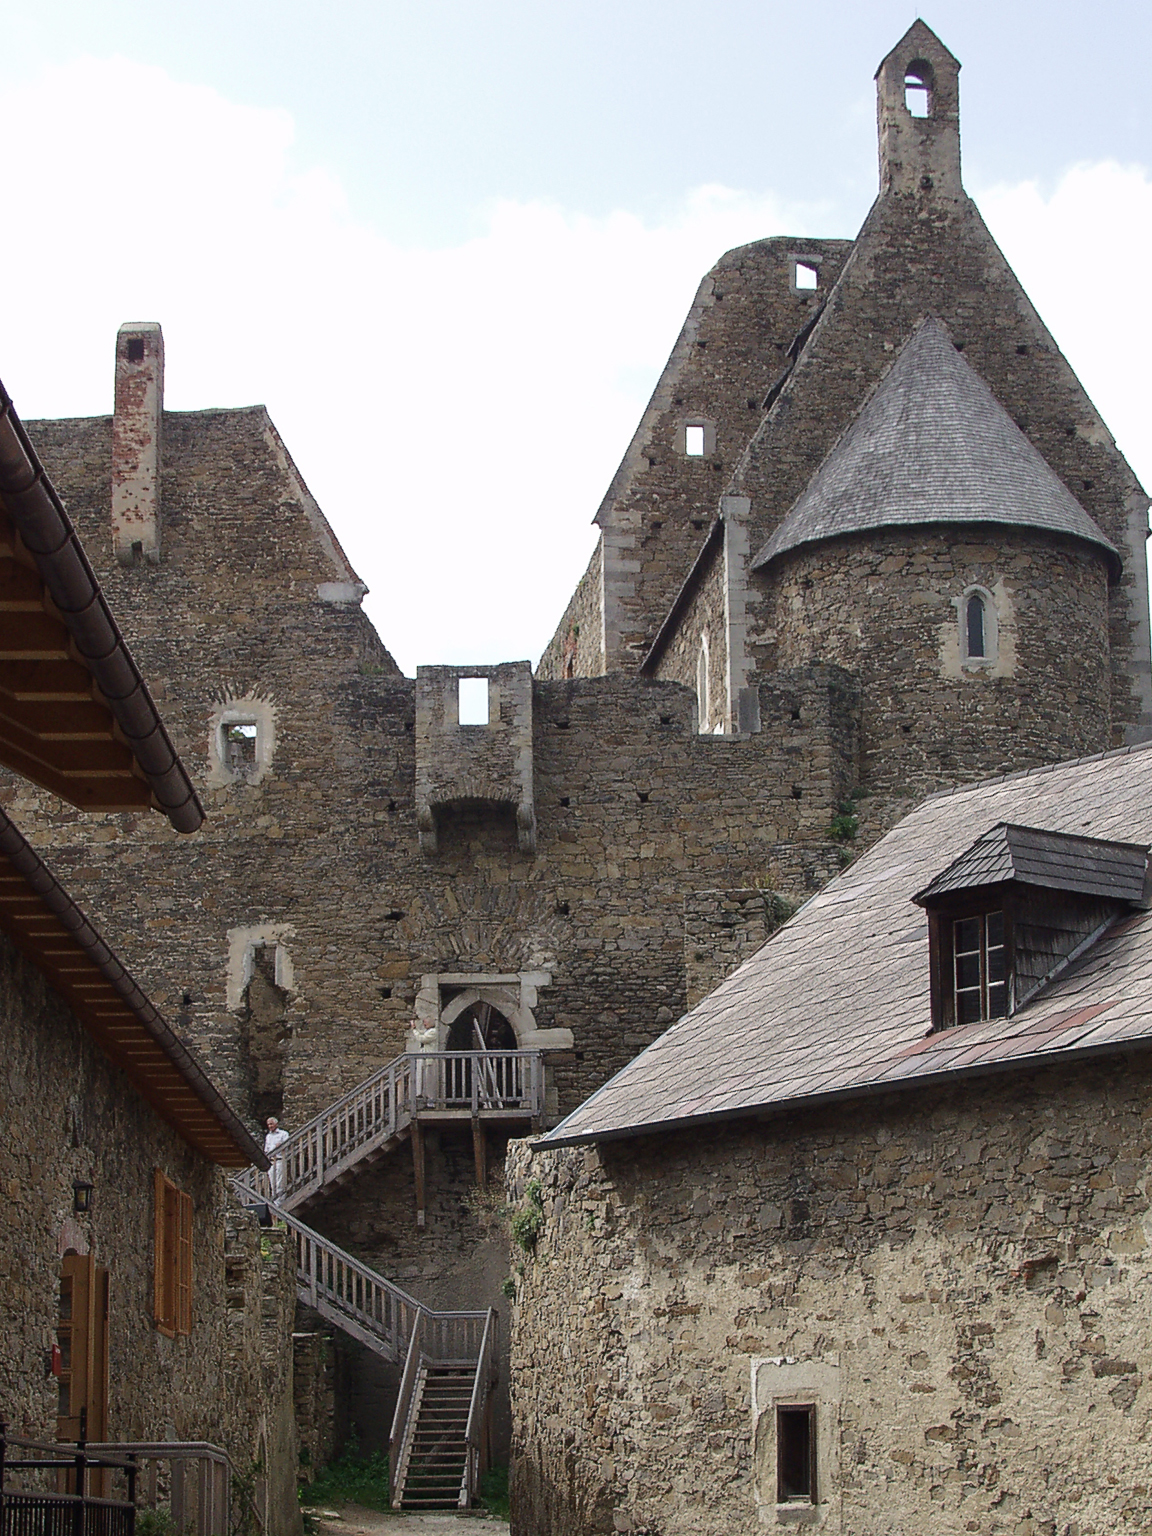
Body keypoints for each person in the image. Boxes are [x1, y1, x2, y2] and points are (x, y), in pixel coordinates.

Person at [263, 1115, 290, 1200]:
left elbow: (286, 1146)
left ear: (276, 1124)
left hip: (279, 1160)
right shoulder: (268, 1136)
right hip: (271, 1161)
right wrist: (276, 1146)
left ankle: (280, 1202)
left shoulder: (284, 1134)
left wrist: (278, 1147)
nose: (270, 1126)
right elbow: (267, 1150)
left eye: (271, 1124)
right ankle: (275, 1202)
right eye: (268, 1124)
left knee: (280, 1183)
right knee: (272, 1183)